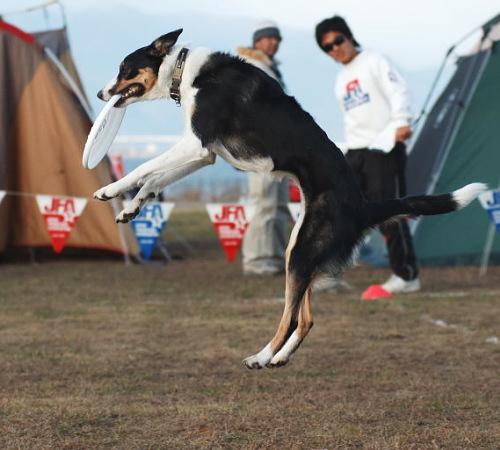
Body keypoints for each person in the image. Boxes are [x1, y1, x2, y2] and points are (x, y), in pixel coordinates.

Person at [315, 15, 421, 299]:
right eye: (328, 47)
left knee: (390, 212)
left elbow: (399, 90)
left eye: (338, 40)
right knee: (340, 208)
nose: (336, 48)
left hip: (384, 146)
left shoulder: (374, 60)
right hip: (356, 150)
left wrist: (402, 121)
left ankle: (405, 274)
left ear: (349, 37)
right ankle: (331, 270)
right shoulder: (340, 79)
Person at [237, 21, 290, 276]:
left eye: (276, 38)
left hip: (276, 145)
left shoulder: (270, 67)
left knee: (277, 205)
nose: (274, 42)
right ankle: (257, 260)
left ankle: (275, 257)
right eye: (268, 38)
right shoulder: (251, 67)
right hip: (259, 147)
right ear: (257, 41)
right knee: (263, 203)